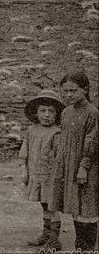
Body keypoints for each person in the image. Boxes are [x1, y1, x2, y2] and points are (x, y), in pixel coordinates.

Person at [50, 70, 98, 254]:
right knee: (75, 206)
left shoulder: (92, 113)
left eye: (73, 90)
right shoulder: (66, 112)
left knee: (87, 207)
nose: (68, 95)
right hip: (67, 165)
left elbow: (92, 142)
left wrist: (83, 168)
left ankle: (88, 248)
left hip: (85, 167)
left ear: (85, 90)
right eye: (65, 91)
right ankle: (80, 247)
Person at [19, 88, 64, 251]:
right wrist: (24, 169)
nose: (46, 115)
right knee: (43, 205)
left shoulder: (57, 133)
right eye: (42, 111)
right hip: (35, 175)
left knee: (52, 206)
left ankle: (54, 240)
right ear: (36, 113)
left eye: (51, 111)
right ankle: (45, 234)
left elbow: (60, 158)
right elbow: (25, 150)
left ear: (56, 114)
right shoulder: (31, 130)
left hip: (50, 178)